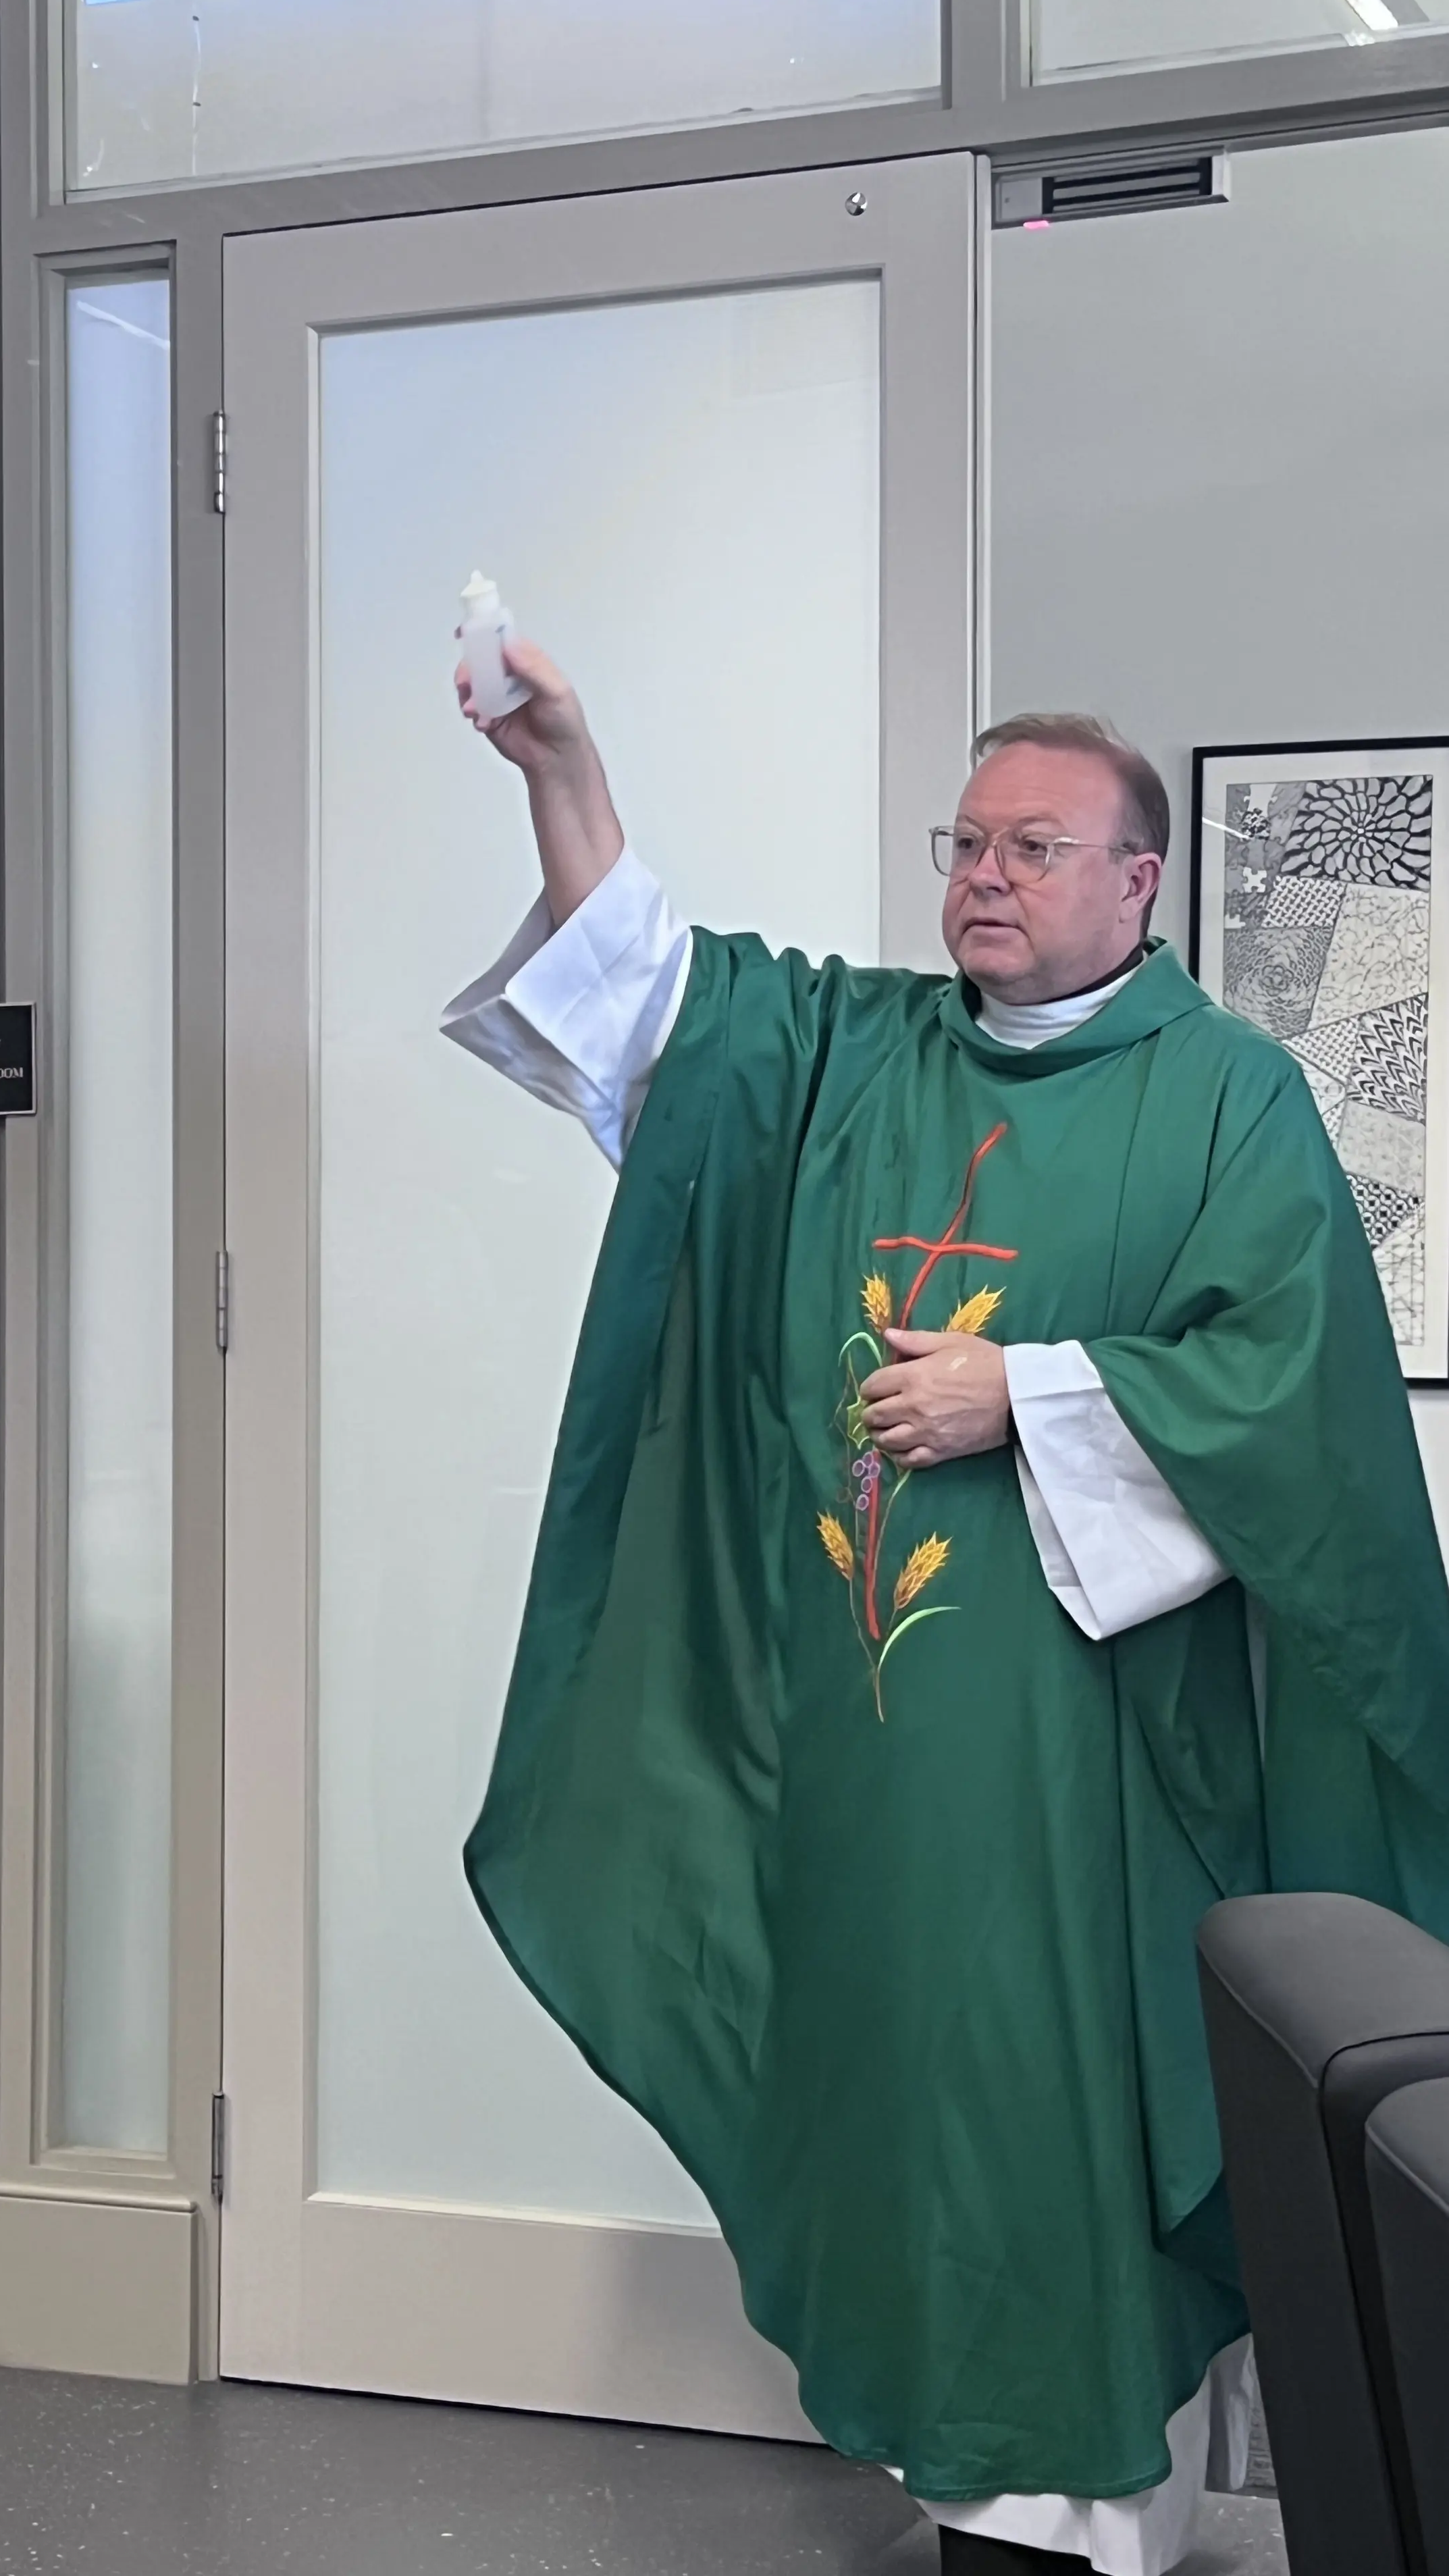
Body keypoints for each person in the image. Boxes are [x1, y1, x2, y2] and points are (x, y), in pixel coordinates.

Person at [442, 640, 1449, 2576]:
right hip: (874, 1747)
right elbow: (644, 991)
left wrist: (1038, 1393)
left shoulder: (1227, 1097)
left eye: (1032, 846)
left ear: (1135, 880)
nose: (982, 877)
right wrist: (557, 767)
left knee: (1055, 2095)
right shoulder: (847, 1051)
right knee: (905, 2090)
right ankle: (966, 2475)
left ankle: (1065, 2505)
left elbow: (1293, 1389)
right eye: (963, 844)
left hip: (1090, 1754)